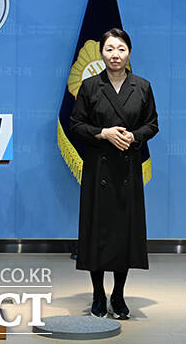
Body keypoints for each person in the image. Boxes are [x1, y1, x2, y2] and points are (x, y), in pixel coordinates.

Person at [70, 28, 158, 320]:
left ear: (129, 52)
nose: (115, 55)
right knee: (97, 233)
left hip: (128, 168)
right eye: (109, 49)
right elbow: (76, 124)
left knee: (124, 234)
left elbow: (152, 124)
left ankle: (118, 295)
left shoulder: (142, 86)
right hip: (99, 169)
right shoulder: (90, 86)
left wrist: (133, 136)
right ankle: (98, 294)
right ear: (101, 53)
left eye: (121, 49)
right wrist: (103, 133)